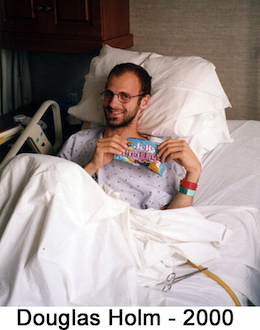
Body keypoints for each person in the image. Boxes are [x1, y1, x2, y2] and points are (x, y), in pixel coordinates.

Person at [59, 63, 201, 210]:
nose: (113, 104)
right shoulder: (77, 141)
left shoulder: (162, 154)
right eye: (109, 94)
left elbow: (173, 219)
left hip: (135, 227)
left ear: (144, 102)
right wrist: (92, 166)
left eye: (124, 96)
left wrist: (194, 173)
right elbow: (53, 195)